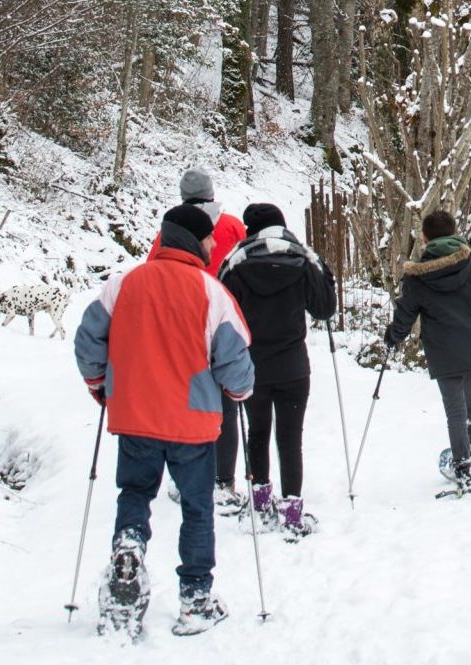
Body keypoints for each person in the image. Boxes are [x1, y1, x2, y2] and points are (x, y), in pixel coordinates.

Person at [74, 204, 254, 638]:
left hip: (135, 415)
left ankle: (129, 548)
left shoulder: (122, 284)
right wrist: (239, 392)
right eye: (208, 238)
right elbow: (235, 360)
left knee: (135, 493)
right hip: (192, 421)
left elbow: (88, 340)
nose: (212, 244)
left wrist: (100, 384)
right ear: (194, 240)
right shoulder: (211, 293)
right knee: (197, 507)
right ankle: (195, 598)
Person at [218, 203, 336, 539]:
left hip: (252, 365)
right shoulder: (302, 259)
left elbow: (221, 311)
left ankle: (260, 505)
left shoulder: (236, 262)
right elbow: (324, 308)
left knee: (257, 432)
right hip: (293, 366)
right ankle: (293, 513)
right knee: (290, 437)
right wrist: (323, 271)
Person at [383, 210, 471, 493]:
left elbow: (405, 315)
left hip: (445, 352)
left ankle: (463, 466)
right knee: (469, 403)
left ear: (424, 238)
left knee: (455, 410)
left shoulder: (418, 277)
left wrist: (393, 336)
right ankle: (469, 451)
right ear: (454, 233)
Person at [148, 167, 247, 511]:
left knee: (185, 403)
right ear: (211, 193)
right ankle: (223, 481)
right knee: (227, 405)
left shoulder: (169, 232)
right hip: (224, 321)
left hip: (182, 326)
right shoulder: (232, 226)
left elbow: (154, 272)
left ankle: (187, 477)